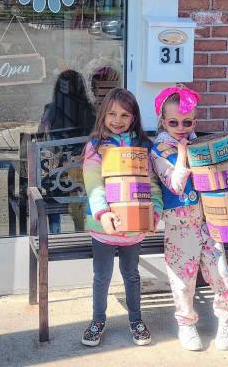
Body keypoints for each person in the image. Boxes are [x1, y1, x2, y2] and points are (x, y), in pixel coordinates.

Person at [151, 86, 228, 351]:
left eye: (186, 122)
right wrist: (183, 152)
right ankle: (186, 323)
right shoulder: (159, 151)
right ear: (163, 121)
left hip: (208, 221)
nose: (180, 127)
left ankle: (226, 318)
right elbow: (175, 184)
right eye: (173, 122)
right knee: (182, 278)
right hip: (179, 225)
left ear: (194, 122)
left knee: (220, 271)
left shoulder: (201, 143)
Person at [82, 87, 163, 347]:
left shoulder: (143, 148)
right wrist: (103, 212)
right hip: (103, 227)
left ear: (134, 118)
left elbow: (152, 184)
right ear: (103, 115)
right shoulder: (96, 147)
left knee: (131, 274)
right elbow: (93, 182)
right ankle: (97, 319)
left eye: (124, 115)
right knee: (102, 277)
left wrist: (156, 213)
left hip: (134, 228)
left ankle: (136, 319)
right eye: (112, 114)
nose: (117, 120)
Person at [39, 69, 96, 234]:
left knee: (51, 180)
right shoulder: (91, 110)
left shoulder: (49, 110)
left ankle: (55, 231)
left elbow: (41, 138)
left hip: (58, 173)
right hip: (83, 172)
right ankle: (82, 229)